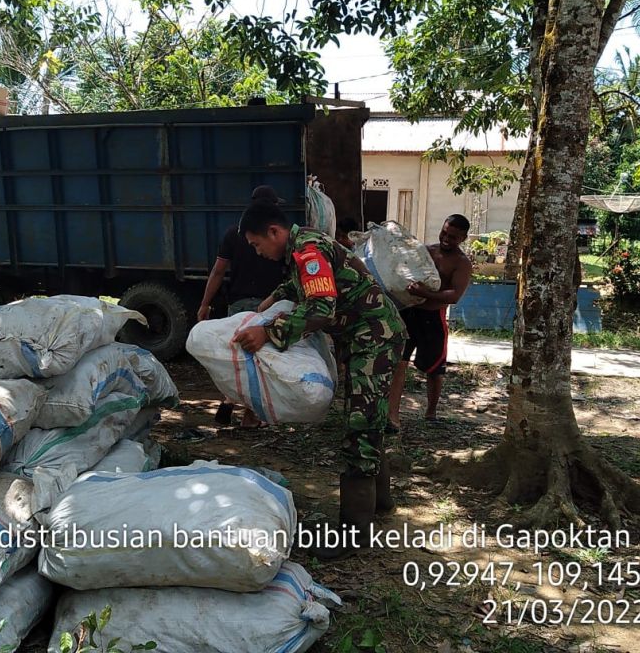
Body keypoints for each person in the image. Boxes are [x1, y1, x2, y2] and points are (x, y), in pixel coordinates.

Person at [232, 201, 406, 558]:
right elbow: (301, 286)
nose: (257, 252)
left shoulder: (308, 250)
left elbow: (321, 308)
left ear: (274, 232)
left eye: (256, 244)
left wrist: (269, 332)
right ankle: (380, 502)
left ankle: (354, 533)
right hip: (369, 336)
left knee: (361, 424)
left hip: (374, 337)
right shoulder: (303, 246)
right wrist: (273, 300)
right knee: (368, 418)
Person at [197, 185, 286, 427]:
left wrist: (205, 303)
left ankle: (227, 400)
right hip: (268, 304)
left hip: (238, 304)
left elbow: (218, 271)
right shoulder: (276, 237)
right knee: (258, 360)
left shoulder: (233, 234)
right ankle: (250, 415)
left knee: (235, 357)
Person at [386, 214, 472, 429]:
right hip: (408, 313)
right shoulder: (426, 251)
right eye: (444, 233)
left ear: (463, 238)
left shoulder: (462, 263)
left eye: (452, 237)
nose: (446, 239)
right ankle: (392, 415)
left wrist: (425, 293)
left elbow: (454, 296)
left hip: (433, 319)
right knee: (399, 362)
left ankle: (431, 412)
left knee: (434, 369)